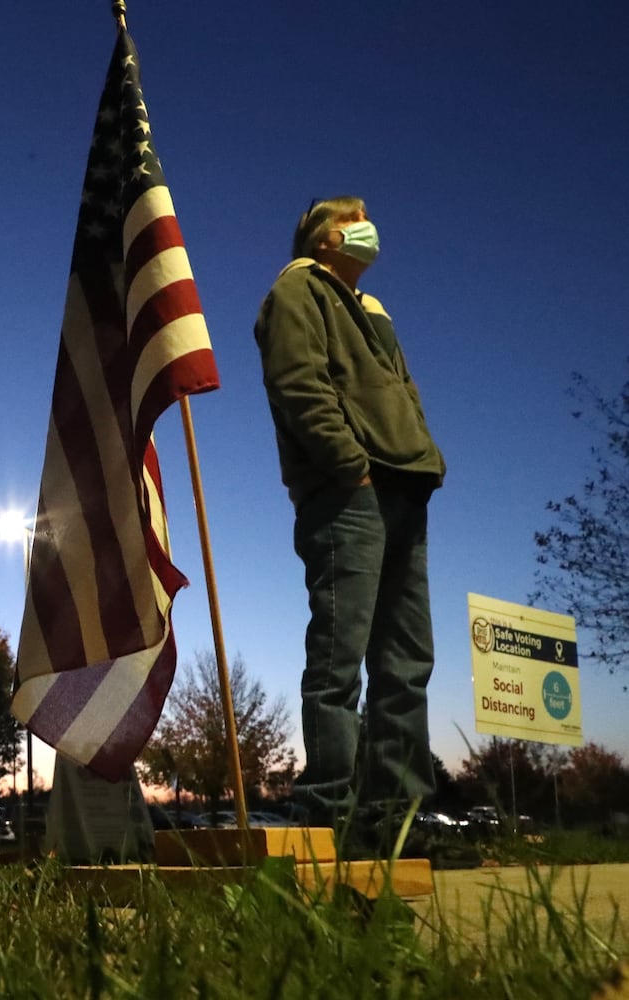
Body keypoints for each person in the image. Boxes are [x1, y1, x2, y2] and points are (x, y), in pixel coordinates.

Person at [253, 196, 445, 831]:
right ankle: (327, 812)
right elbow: (298, 382)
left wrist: (425, 463)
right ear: (324, 236)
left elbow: (402, 394)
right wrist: (349, 467)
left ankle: (399, 816)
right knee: (339, 659)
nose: (368, 227)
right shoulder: (298, 291)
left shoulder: (372, 312)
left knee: (406, 662)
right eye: (353, 218)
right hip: (348, 495)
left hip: (404, 489)